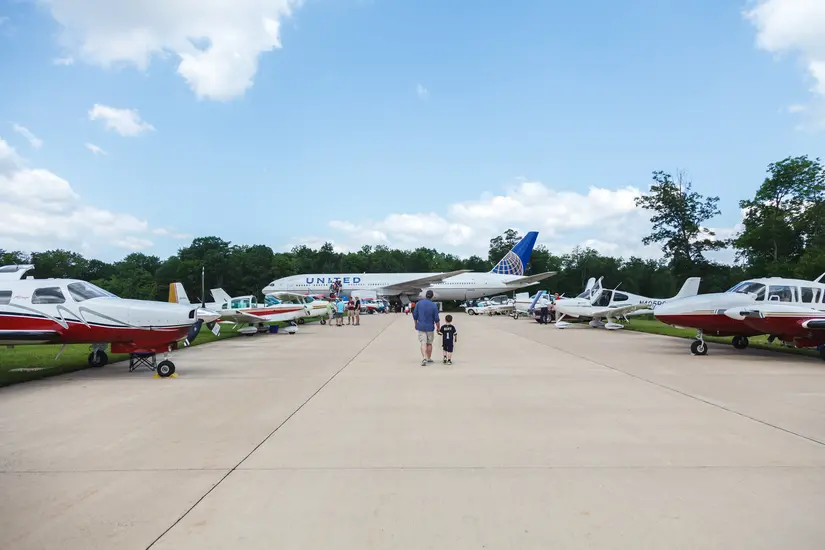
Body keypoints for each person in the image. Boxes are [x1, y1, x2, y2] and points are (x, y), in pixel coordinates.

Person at [412, 290, 440, 366]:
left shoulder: (419, 304)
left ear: (425, 295)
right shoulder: (433, 305)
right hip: (430, 327)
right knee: (429, 343)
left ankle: (424, 357)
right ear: (432, 296)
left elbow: (415, 315)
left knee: (423, 343)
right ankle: (428, 358)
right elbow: (436, 318)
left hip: (421, 326)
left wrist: (415, 324)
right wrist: (438, 328)